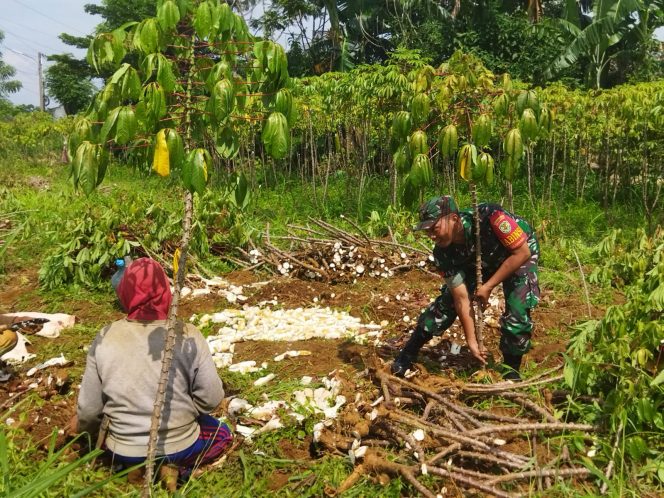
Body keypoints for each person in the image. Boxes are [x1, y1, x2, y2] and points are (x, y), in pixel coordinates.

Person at [77, 257, 232, 482]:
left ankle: (131, 468)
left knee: (124, 450)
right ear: (165, 292)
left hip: (123, 450)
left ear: (125, 292)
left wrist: (91, 436)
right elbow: (211, 398)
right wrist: (187, 409)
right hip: (179, 446)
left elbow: (89, 410)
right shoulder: (187, 335)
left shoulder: (105, 337)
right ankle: (180, 470)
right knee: (223, 434)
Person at [391, 196, 540, 381]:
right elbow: (461, 298)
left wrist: (488, 286)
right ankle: (407, 353)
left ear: (454, 219)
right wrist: (471, 340)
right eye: (427, 231)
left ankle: (512, 369)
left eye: (434, 228)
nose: (431, 236)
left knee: (517, 309)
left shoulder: (492, 217)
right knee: (445, 304)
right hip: (479, 260)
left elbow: (522, 252)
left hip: (518, 252)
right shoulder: (442, 253)